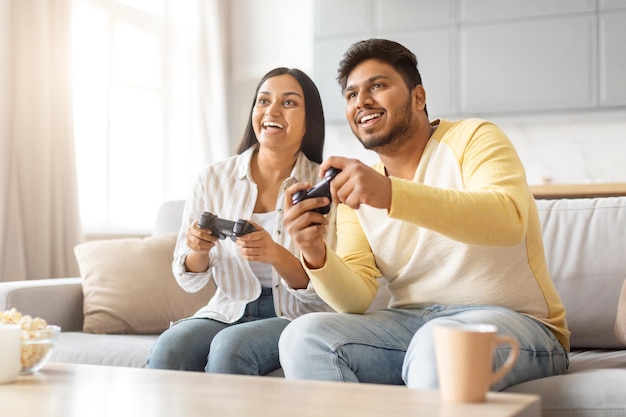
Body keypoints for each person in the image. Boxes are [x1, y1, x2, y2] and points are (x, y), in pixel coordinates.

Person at [279, 39, 569, 390]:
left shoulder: (474, 138)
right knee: (303, 336)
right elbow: (355, 299)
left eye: (378, 86)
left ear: (418, 98)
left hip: (515, 324)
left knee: (439, 344)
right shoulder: (359, 187)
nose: (362, 101)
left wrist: (390, 194)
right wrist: (315, 252)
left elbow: (507, 221)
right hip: (411, 325)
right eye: (351, 95)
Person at [147, 67, 336, 375]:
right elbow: (189, 279)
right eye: (263, 101)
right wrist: (198, 249)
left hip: (295, 316)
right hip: (227, 308)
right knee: (169, 349)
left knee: (231, 348)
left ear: (309, 121)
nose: (272, 110)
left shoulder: (323, 186)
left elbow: (323, 289)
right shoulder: (213, 178)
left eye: (288, 103)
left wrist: (275, 253)